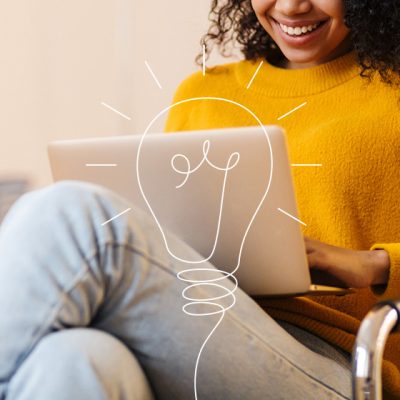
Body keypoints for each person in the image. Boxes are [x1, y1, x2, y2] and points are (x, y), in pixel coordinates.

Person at [0, 1, 399, 400]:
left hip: (332, 364)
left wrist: (376, 264)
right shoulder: (203, 92)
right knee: (74, 359)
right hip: (190, 328)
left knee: (73, 216)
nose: (293, 6)